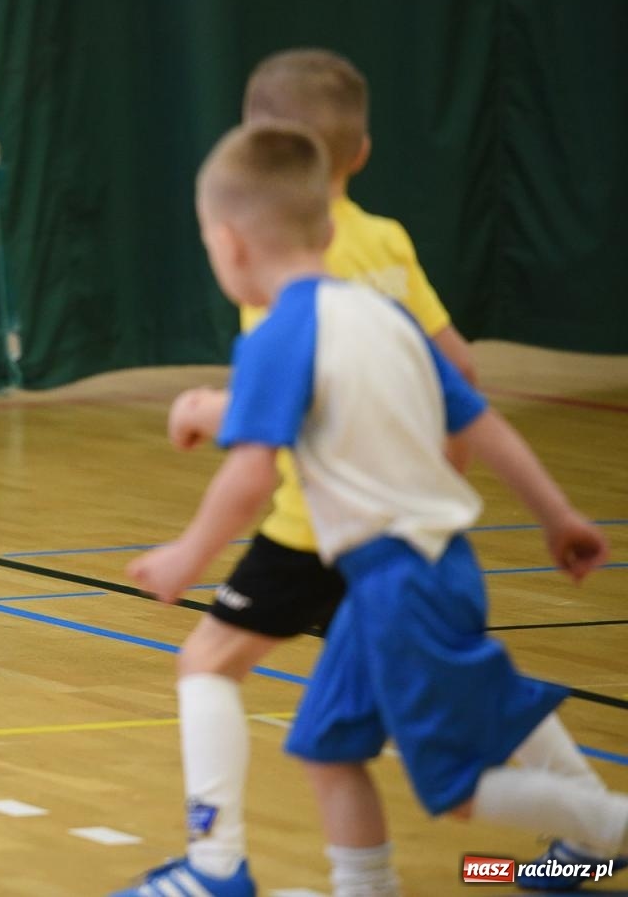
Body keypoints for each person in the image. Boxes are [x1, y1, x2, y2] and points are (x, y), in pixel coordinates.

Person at [119, 121, 627, 897]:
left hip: (402, 582)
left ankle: (612, 831)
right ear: (327, 226)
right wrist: (556, 514)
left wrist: (186, 556)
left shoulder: (280, 333)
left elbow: (254, 472)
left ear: (228, 243)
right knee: (328, 747)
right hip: (404, 571)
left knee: (455, 792)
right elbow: (478, 418)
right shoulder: (382, 315)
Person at [114, 49, 481, 896]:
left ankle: (215, 867)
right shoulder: (382, 240)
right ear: (359, 155)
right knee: (447, 731)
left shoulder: (273, 245)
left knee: (207, 662)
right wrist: (433, 488)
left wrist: (194, 520)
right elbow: (451, 370)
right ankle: (587, 836)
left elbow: (291, 395)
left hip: (315, 522)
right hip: (404, 528)